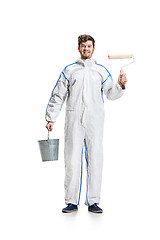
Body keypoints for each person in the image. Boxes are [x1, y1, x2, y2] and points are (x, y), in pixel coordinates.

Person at [45, 34, 127, 213]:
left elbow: (111, 94)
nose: (86, 49)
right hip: (74, 121)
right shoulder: (69, 70)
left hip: (95, 122)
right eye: (83, 46)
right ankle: (71, 202)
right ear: (79, 48)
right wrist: (51, 117)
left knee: (96, 159)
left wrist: (120, 86)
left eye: (89, 46)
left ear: (93, 49)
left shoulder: (101, 71)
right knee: (72, 160)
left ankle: (94, 201)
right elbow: (58, 95)